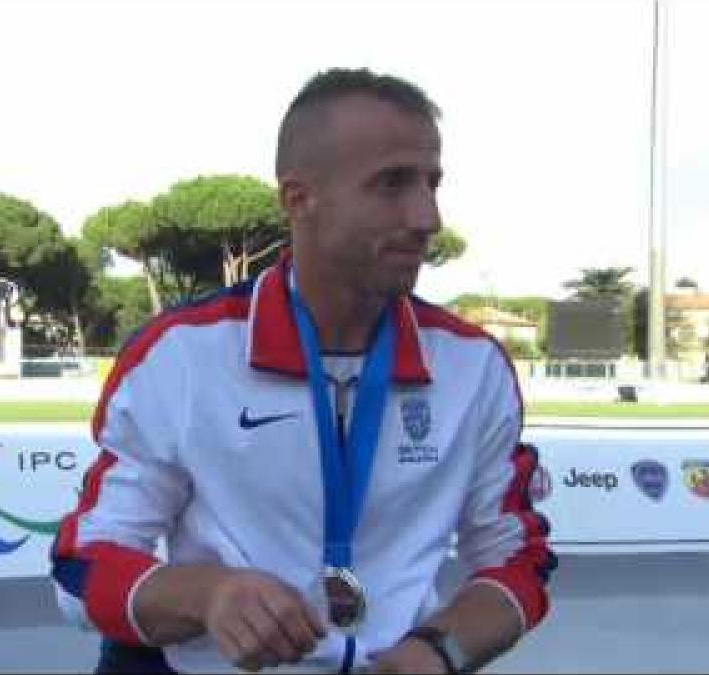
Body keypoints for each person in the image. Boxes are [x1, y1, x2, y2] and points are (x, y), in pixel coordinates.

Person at [51, 67, 555, 674]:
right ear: (299, 199)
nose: (427, 218)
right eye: (393, 184)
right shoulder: (180, 354)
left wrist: (438, 651)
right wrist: (209, 596)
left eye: (432, 183)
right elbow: (85, 564)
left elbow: (517, 559)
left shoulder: (473, 367)